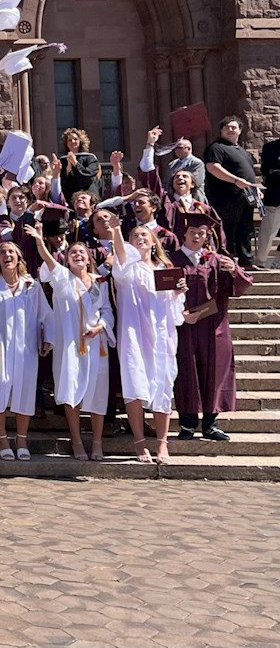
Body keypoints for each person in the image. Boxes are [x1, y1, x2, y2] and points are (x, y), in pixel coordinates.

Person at [30, 230, 114, 460]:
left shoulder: (100, 283)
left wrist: (100, 326)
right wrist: (40, 242)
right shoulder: (62, 278)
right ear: (66, 259)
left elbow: (106, 311)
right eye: (72, 252)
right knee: (71, 390)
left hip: (96, 344)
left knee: (98, 394)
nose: (77, 255)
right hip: (70, 345)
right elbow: (48, 260)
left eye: (82, 252)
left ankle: (96, 443)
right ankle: (76, 441)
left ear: (89, 259)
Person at [109, 224, 186, 463]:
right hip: (134, 335)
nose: (140, 238)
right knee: (134, 385)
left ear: (154, 242)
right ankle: (140, 444)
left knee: (163, 387)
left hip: (162, 336)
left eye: (144, 235)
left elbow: (176, 314)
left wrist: (176, 292)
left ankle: (162, 444)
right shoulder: (127, 270)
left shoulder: (165, 270)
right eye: (135, 236)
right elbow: (120, 257)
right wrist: (117, 231)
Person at [0, 242, 53, 461]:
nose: (7, 255)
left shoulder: (31, 285)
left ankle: (22, 439)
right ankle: (2, 439)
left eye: (11, 252)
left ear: (19, 259)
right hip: (0, 346)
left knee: (25, 393)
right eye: (3, 252)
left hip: (26, 347)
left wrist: (48, 337)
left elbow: (45, 314)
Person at [170, 219, 238, 442]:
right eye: (192, 232)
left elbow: (236, 287)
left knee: (214, 372)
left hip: (213, 325)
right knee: (186, 372)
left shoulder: (216, 260)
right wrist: (179, 311)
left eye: (202, 233)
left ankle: (211, 424)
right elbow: (157, 292)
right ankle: (187, 425)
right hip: (183, 326)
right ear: (184, 233)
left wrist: (234, 270)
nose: (197, 236)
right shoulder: (172, 260)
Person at [203, 115, 259, 269]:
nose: (230, 130)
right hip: (226, 198)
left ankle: (246, 262)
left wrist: (254, 190)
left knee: (245, 229)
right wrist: (235, 181)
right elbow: (213, 167)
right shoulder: (216, 147)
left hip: (245, 197)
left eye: (234, 127)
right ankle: (229, 263)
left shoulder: (240, 150)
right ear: (221, 130)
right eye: (227, 127)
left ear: (240, 130)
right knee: (229, 230)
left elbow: (247, 174)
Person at [255, 133, 280, 269]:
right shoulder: (271, 148)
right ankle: (260, 262)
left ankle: (277, 261)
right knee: (268, 232)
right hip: (276, 197)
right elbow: (268, 171)